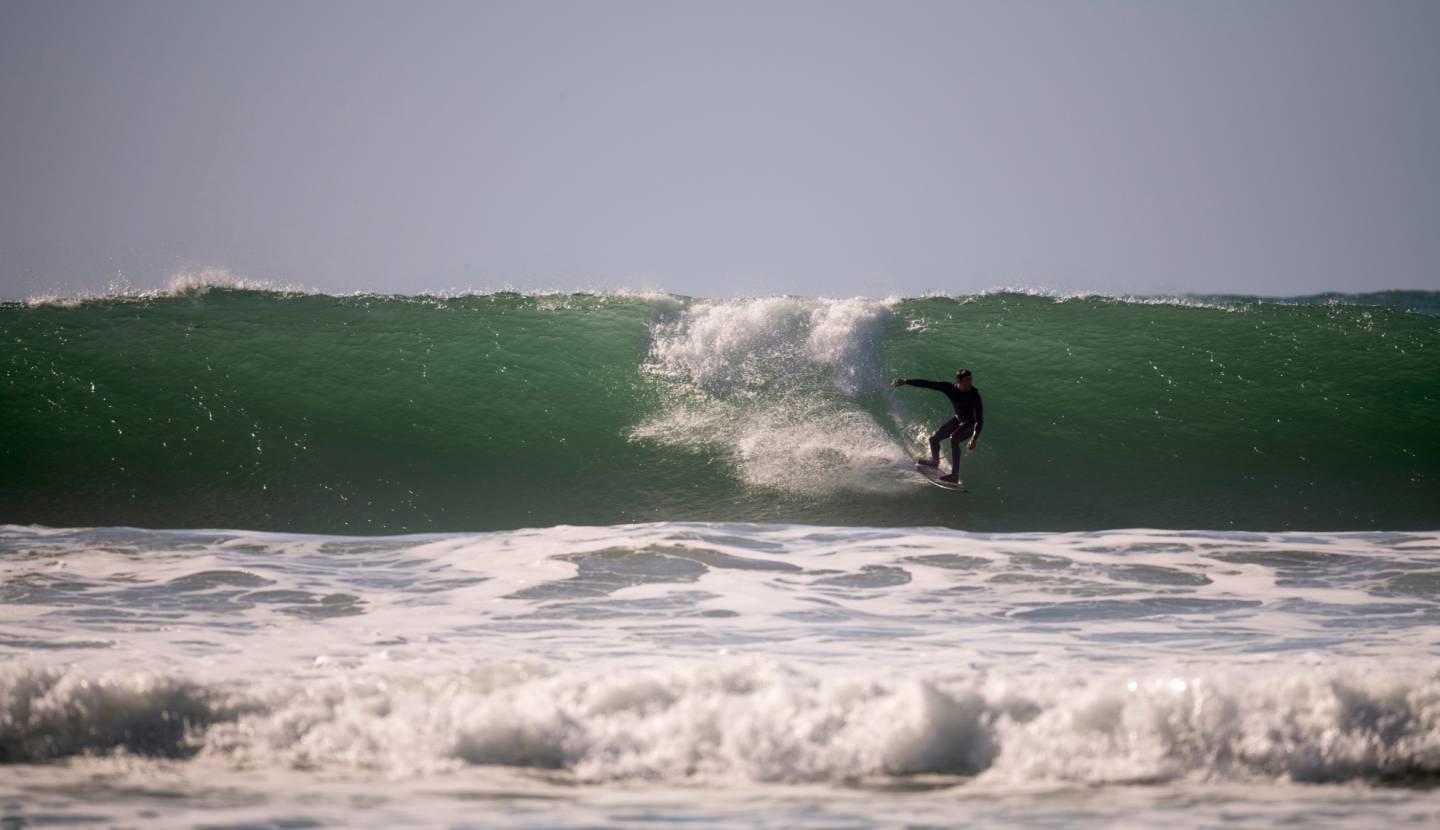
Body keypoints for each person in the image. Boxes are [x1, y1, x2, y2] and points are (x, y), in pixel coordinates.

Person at [891, 368, 983, 484]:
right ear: (958, 381)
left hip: (970, 425)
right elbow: (928, 384)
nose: (969, 382)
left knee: (954, 439)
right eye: (966, 380)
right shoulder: (950, 388)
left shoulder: (974, 396)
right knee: (933, 439)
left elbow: (979, 420)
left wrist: (974, 438)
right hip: (958, 420)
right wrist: (905, 381)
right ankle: (935, 462)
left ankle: (954, 476)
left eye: (970, 379)